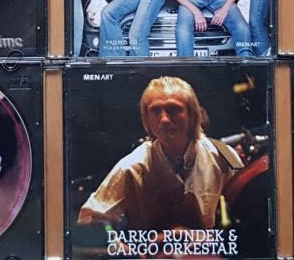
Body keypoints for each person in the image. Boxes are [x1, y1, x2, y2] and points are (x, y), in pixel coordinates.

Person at [78, 76, 242, 229]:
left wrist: (212, 238)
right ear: (146, 119)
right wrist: (125, 244)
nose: (164, 120)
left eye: (173, 109)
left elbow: (247, 217)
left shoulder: (224, 158)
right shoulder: (132, 167)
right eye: (155, 111)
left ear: (192, 115)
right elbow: (89, 221)